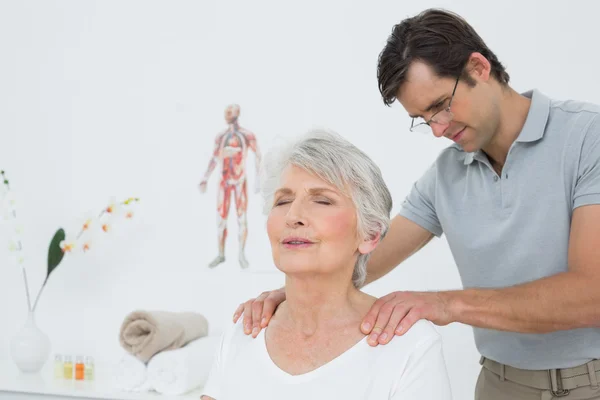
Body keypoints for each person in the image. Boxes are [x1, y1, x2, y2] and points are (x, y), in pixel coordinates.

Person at [234, 8, 600, 400]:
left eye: (442, 105)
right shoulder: (445, 174)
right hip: (498, 385)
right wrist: (291, 293)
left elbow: (591, 295)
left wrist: (447, 304)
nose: (439, 129)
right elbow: (362, 252)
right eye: (424, 118)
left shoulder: (585, 138)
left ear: (478, 67)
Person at [200, 129, 452, 399]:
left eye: (322, 200)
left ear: (370, 234)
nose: (293, 216)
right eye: (283, 201)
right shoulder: (244, 329)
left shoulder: (409, 343)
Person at [199, 104, 261, 269]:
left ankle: (241, 254)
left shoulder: (247, 135)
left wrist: (258, 180)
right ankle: (221, 254)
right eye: (226, 111)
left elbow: (258, 156)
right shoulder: (221, 136)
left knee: (241, 218)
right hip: (224, 181)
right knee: (221, 219)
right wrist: (205, 178)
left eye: (229, 111)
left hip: (239, 180)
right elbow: (214, 158)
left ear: (237, 113)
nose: (226, 113)